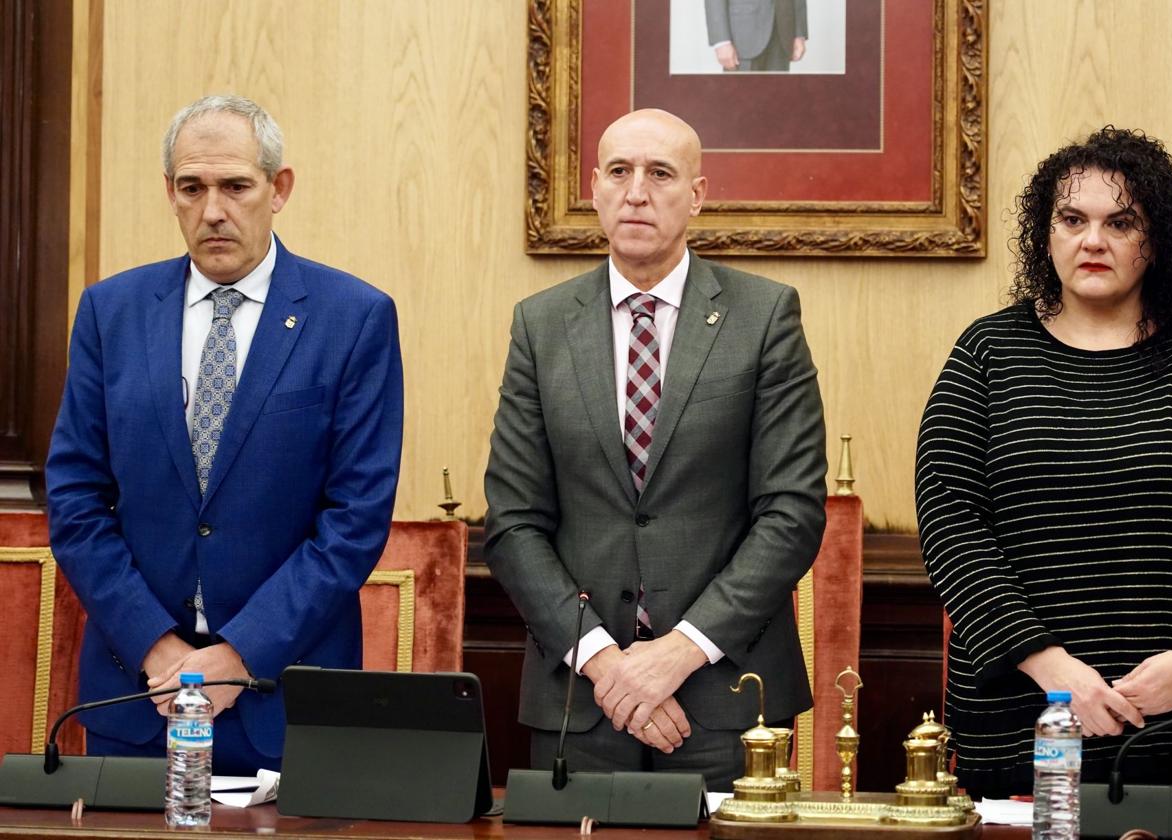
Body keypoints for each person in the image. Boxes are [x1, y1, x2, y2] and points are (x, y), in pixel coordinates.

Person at [45, 95, 403, 775]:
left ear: (279, 188)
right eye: (193, 187)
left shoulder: (353, 319)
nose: (213, 209)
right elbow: (75, 499)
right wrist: (158, 649)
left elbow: (355, 520)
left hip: (285, 697)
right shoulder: (109, 313)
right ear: (171, 195)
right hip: (136, 696)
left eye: (236, 185)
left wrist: (239, 656)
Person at [483, 108, 826, 791]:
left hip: (728, 698)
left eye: (660, 173)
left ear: (696, 194)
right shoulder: (541, 325)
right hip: (580, 700)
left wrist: (677, 653)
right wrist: (607, 664)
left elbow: (791, 512)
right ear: (596, 190)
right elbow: (513, 520)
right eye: (620, 172)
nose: (637, 191)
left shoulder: (765, 317)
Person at [917, 126, 1172, 797]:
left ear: (1154, 240)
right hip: (1024, 723)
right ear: (1047, 236)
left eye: (1120, 222)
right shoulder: (987, 354)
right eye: (1072, 219)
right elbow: (952, 526)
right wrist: (1050, 667)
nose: (1092, 240)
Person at [705, 0, 808, 72]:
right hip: (742, 34)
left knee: (779, 100)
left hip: (781, 31)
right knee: (741, 100)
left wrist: (799, 33)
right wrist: (721, 40)